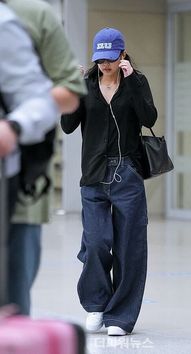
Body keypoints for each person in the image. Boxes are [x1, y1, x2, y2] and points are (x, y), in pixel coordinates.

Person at [61, 27, 158, 336]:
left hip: (127, 173)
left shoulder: (136, 81)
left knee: (130, 247)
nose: (105, 65)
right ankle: (96, 305)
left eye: (110, 59)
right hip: (92, 177)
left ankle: (121, 317)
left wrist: (132, 83)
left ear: (122, 55)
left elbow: (149, 118)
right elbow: (67, 125)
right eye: (100, 59)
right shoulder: (86, 85)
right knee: (97, 241)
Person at [5, 0, 87, 315]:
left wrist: (16, 124)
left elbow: (69, 89)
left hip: (17, 188)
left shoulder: (32, 15)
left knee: (10, 306)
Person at [0, 1, 60, 306]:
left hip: (9, 179)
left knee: (9, 299)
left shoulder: (5, 24)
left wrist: (14, 126)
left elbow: (41, 101)